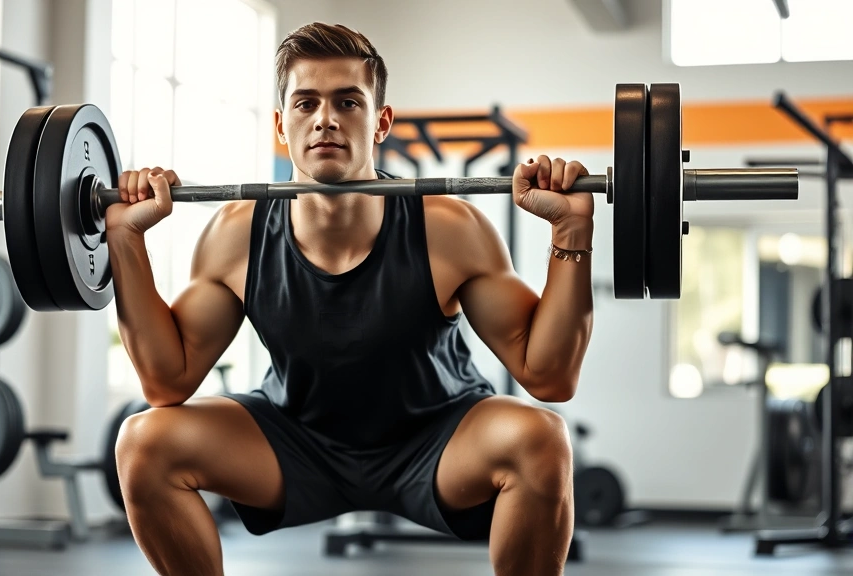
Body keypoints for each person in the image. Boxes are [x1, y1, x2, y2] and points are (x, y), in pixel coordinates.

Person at [108, 22, 593, 576]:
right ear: (281, 125)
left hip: (437, 440)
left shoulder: (447, 226)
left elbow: (550, 376)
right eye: (307, 102)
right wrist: (125, 241)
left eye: (348, 102)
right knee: (143, 443)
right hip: (294, 443)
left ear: (380, 121)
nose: (326, 119)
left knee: (541, 441)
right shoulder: (236, 235)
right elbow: (166, 381)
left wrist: (571, 233)